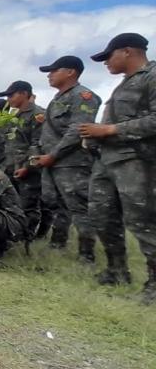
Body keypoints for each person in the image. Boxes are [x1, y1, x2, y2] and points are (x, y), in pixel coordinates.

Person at [81, 33, 156, 304]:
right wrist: (93, 137)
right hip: (106, 161)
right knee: (101, 216)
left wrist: (111, 129)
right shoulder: (122, 85)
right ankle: (117, 270)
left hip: (137, 161)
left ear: (127, 51)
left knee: (143, 222)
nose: (105, 63)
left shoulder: (151, 76)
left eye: (108, 56)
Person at [31, 56, 100, 260]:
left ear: (70, 72)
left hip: (72, 163)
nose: (50, 75)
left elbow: (77, 130)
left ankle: (86, 255)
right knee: (58, 205)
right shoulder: (58, 99)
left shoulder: (83, 96)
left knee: (79, 208)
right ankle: (58, 243)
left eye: (54, 70)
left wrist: (53, 155)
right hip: (53, 163)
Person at [0, 81, 47, 244]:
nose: (8, 99)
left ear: (24, 94)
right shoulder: (14, 117)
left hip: (28, 170)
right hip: (11, 168)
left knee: (28, 205)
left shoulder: (38, 115)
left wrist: (27, 167)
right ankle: (13, 236)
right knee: (12, 205)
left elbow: (37, 144)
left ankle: (26, 239)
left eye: (11, 95)